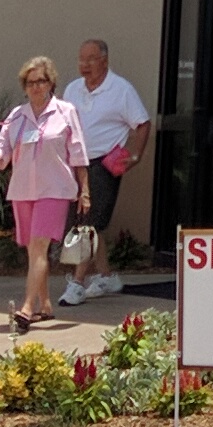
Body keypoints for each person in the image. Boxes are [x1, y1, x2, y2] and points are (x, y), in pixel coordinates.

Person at [0, 57, 84, 332]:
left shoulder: (65, 111)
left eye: (41, 81)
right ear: (24, 86)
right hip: (24, 190)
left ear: (51, 83)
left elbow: (79, 152)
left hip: (55, 189)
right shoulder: (17, 115)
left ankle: (26, 308)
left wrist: (85, 190)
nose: (36, 87)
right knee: (34, 251)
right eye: (30, 82)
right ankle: (45, 305)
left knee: (39, 246)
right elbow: (2, 147)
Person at [62, 36, 152, 299]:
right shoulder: (72, 89)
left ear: (105, 60)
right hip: (76, 163)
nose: (84, 65)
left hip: (103, 164)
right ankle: (106, 277)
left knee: (88, 224)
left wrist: (136, 155)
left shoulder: (121, 89)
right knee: (89, 223)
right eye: (81, 59)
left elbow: (142, 123)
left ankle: (77, 283)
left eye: (91, 59)